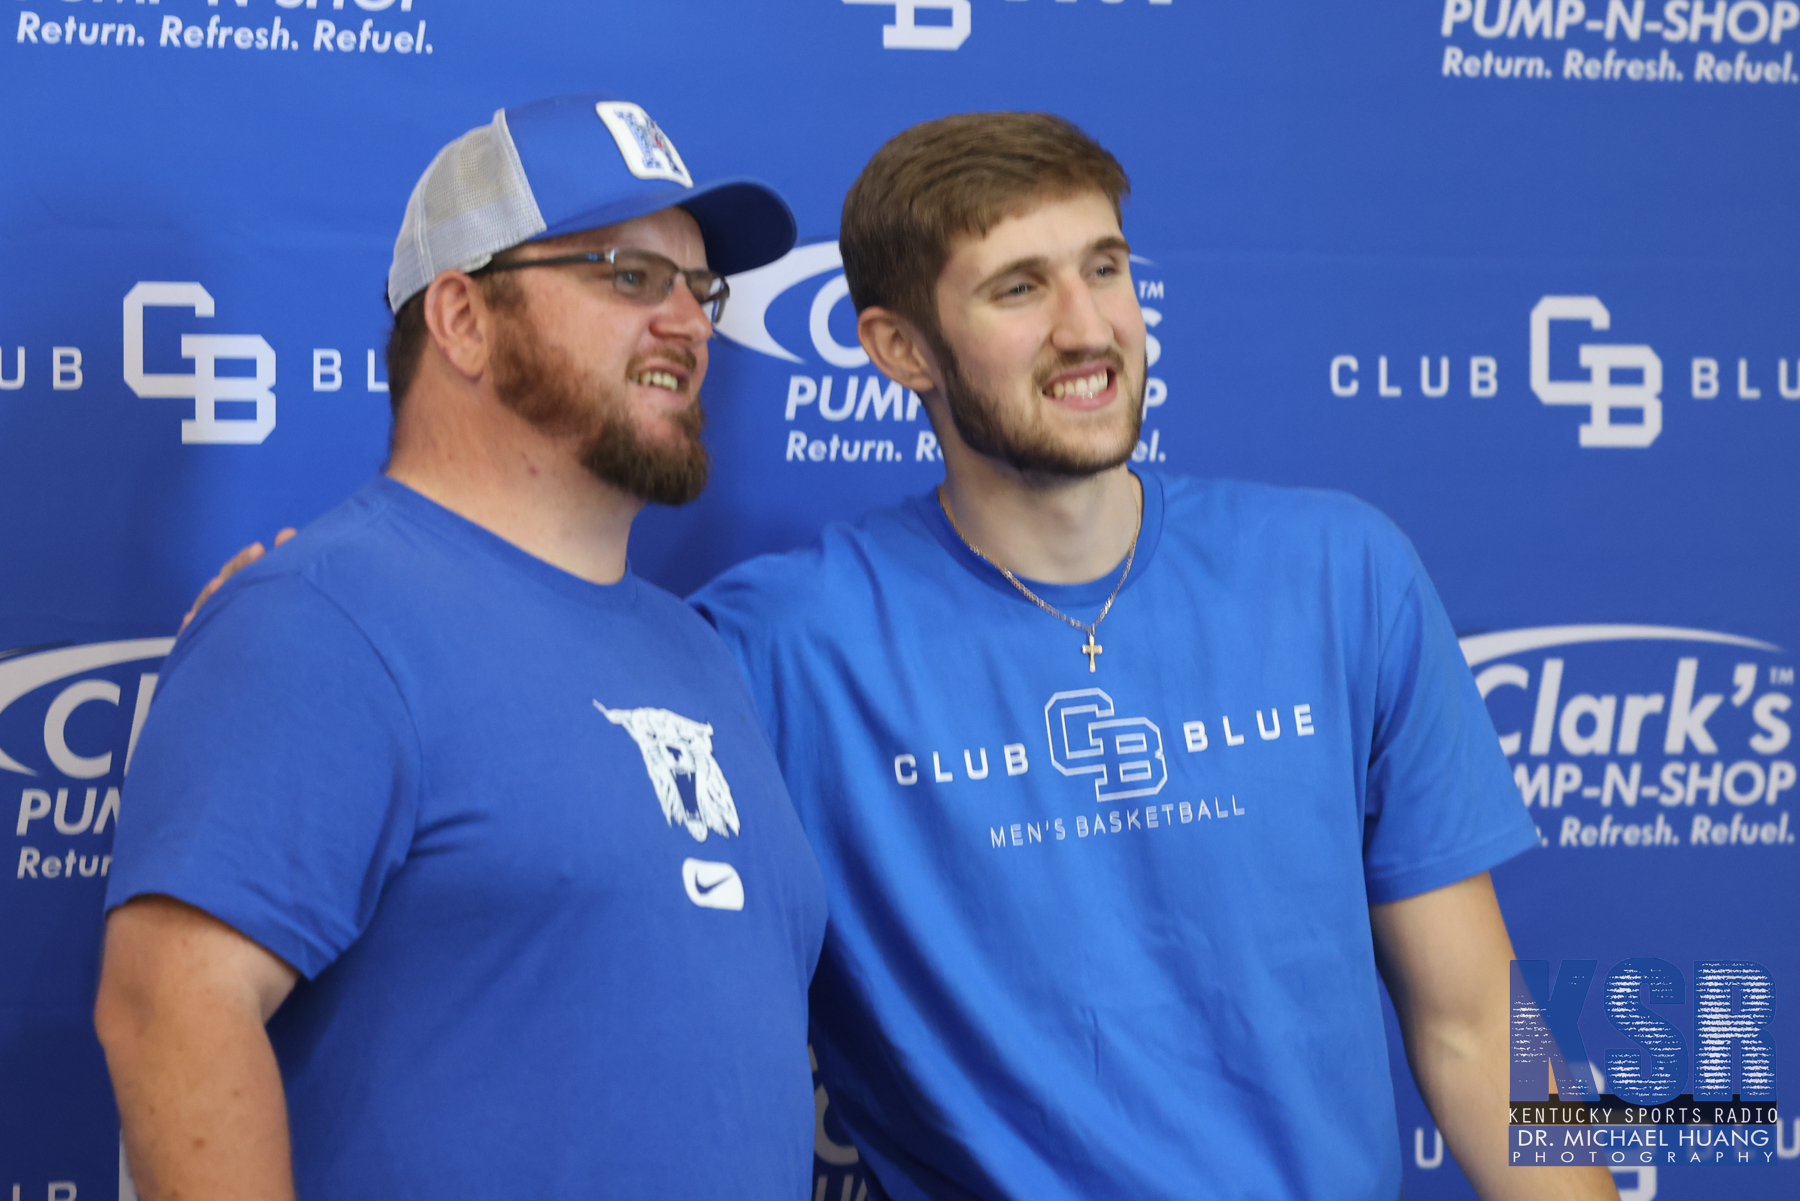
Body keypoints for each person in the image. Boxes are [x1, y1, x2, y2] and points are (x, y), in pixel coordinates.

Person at [689, 114, 1617, 1200]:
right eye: (1019, 288)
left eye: (1106, 267)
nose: (1090, 329)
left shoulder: (1340, 572)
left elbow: (1474, 1028)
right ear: (898, 348)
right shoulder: (777, 650)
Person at [93, 94, 825, 1201]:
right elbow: (167, 1007)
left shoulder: (699, 649)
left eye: (699, 287)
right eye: (629, 275)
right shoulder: (324, 616)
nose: (688, 321)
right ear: (463, 318)